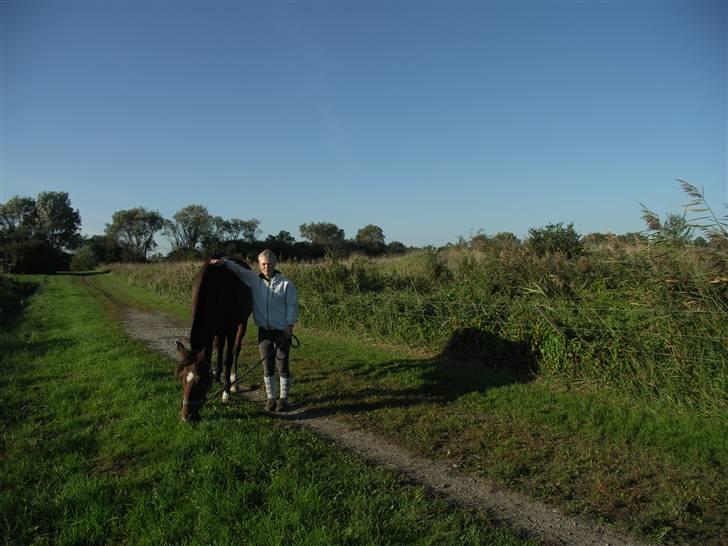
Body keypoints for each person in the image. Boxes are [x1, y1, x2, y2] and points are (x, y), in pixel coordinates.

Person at [210, 250, 299, 412]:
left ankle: (283, 399)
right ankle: (271, 398)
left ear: (275, 264)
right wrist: (223, 261)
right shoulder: (254, 280)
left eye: (270, 263)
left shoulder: (286, 284)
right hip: (264, 332)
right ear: (259, 265)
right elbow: (239, 270)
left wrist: (289, 327)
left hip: (281, 332)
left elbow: (292, 306)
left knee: (282, 365)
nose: (267, 267)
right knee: (267, 366)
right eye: (263, 264)